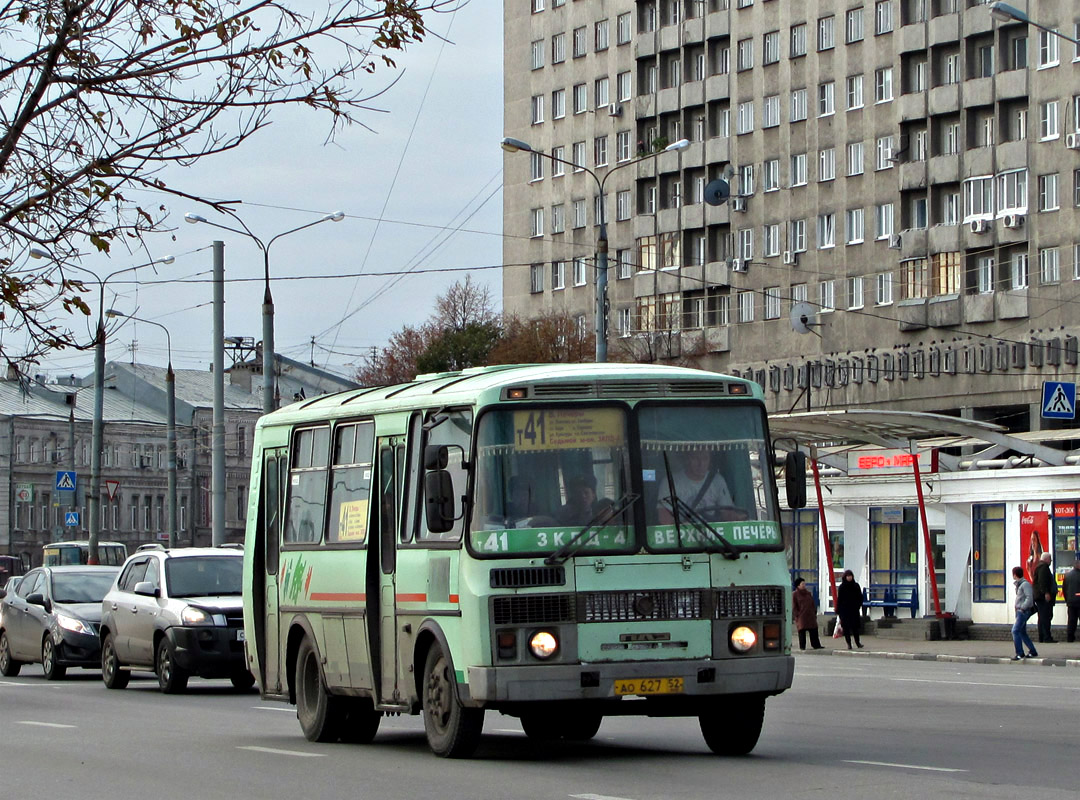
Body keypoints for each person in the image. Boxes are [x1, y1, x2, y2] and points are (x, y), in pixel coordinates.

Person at [658, 449, 735, 522]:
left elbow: (726, 513)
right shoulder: (670, 482)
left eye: (705, 458)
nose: (701, 464)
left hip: (711, 533)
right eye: (695, 458)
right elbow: (664, 517)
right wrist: (683, 526)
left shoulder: (717, 481)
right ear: (687, 459)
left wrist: (737, 517)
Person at [1011, 565, 1038, 660]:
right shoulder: (1020, 584)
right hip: (1020, 611)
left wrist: (1022, 608)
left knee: (1015, 630)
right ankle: (1033, 651)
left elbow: (1029, 598)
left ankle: (1019, 653)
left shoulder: (1025, 584)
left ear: (1015, 575)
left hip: (1023, 611)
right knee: (1022, 632)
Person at [835, 569, 864, 650]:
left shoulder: (856, 586)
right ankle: (849, 644)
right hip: (844, 611)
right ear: (845, 577)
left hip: (854, 610)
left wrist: (858, 605)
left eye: (850, 576)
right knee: (846, 628)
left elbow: (860, 597)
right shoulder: (842, 587)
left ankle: (858, 643)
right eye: (848, 576)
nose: (849, 578)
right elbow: (839, 599)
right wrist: (838, 610)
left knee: (855, 628)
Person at [792, 577, 824, 650]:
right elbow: (794, 606)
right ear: (798, 585)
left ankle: (816, 645)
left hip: (810, 615)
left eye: (804, 583)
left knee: (813, 630)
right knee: (802, 631)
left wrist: (814, 612)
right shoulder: (795, 594)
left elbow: (812, 603)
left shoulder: (808, 593)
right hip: (801, 616)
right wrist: (797, 615)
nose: (804, 585)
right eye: (802, 584)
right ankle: (802, 646)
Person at [1032, 551, 1057, 643]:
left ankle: (1042, 637)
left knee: (1042, 617)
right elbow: (1043, 582)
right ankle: (1046, 637)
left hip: (1040, 597)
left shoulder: (1039, 566)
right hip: (1043, 598)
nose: (1050, 561)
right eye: (1050, 559)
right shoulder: (1043, 567)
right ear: (1046, 559)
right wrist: (1046, 593)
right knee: (1045, 617)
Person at [1063, 557, 1080, 643]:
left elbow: (1064, 589)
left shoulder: (1067, 576)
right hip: (1079, 601)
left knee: (1071, 620)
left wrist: (1067, 599)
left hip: (1070, 602)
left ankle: (1070, 637)